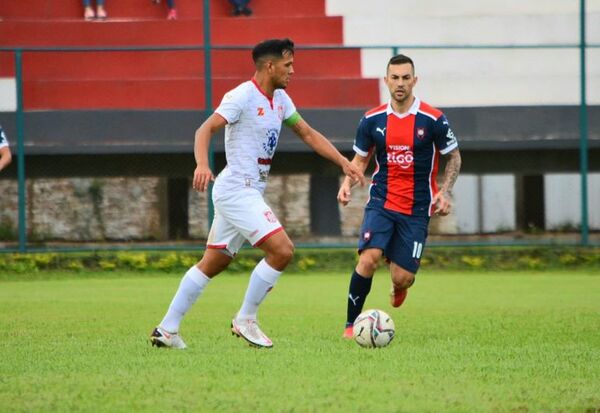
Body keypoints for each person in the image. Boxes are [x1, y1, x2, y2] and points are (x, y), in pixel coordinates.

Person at [150, 38, 365, 349]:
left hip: (243, 192)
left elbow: (307, 133)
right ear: (270, 66)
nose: (292, 71)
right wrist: (201, 163)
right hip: (238, 190)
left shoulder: (280, 100)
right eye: (288, 65)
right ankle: (246, 319)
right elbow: (204, 129)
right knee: (282, 250)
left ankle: (167, 329)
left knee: (213, 262)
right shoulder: (241, 96)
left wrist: (344, 163)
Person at [338, 54, 462, 338]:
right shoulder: (371, 119)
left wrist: (444, 191)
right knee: (368, 258)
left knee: (403, 276)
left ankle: (398, 285)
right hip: (381, 200)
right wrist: (347, 183)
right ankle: (350, 325)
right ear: (386, 81)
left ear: (414, 81)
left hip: (418, 208)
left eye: (406, 78)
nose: (400, 83)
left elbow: (454, 157)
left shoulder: (433, 119)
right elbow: (360, 160)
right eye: (395, 78)